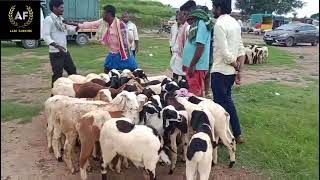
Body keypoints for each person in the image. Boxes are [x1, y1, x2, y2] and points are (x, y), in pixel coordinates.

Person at [211, 0, 245, 144]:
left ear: (218, 8)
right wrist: (238, 70)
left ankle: (223, 137)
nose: (212, 9)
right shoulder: (235, 23)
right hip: (230, 72)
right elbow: (241, 49)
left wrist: (236, 67)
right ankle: (236, 134)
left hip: (220, 71)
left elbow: (225, 54)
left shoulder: (219, 24)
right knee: (228, 102)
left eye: (213, 7)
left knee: (220, 106)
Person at [78, 5, 138, 73]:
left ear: (109, 14)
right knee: (108, 74)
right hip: (112, 55)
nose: (102, 14)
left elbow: (130, 38)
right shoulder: (104, 22)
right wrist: (78, 25)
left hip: (123, 55)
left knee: (130, 74)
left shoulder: (121, 25)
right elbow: (92, 24)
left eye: (104, 13)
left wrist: (126, 47)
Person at [43, 0, 79, 89]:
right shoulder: (49, 19)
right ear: (54, 8)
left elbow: (66, 31)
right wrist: (56, 45)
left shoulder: (61, 19)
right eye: (61, 7)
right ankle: (54, 96)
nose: (63, 9)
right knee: (57, 75)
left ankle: (73, 91)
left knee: (72, 71)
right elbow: (45, 36)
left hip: (64, 51)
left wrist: (76, 28)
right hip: (55, 53)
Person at [182, 6, 213, 97]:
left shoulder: (202, 24)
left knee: (194, 95)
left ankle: (198, 109)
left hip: (196, 67)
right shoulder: (196, 25)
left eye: (186, 14)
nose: (186, 18)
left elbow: (200, 46)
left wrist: (192, 66)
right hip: (192, 65)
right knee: (192, 92)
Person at [169, 10, 190, 82]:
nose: (178, 17)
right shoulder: (174, 27)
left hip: (182, 54)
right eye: (177, 16)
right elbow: (171, 38)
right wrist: (171, 47)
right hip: (175, 51)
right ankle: (175, 85)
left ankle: (184, 87)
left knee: (183, 73)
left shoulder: (186, 26)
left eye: (179, 15)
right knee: (175, 71)